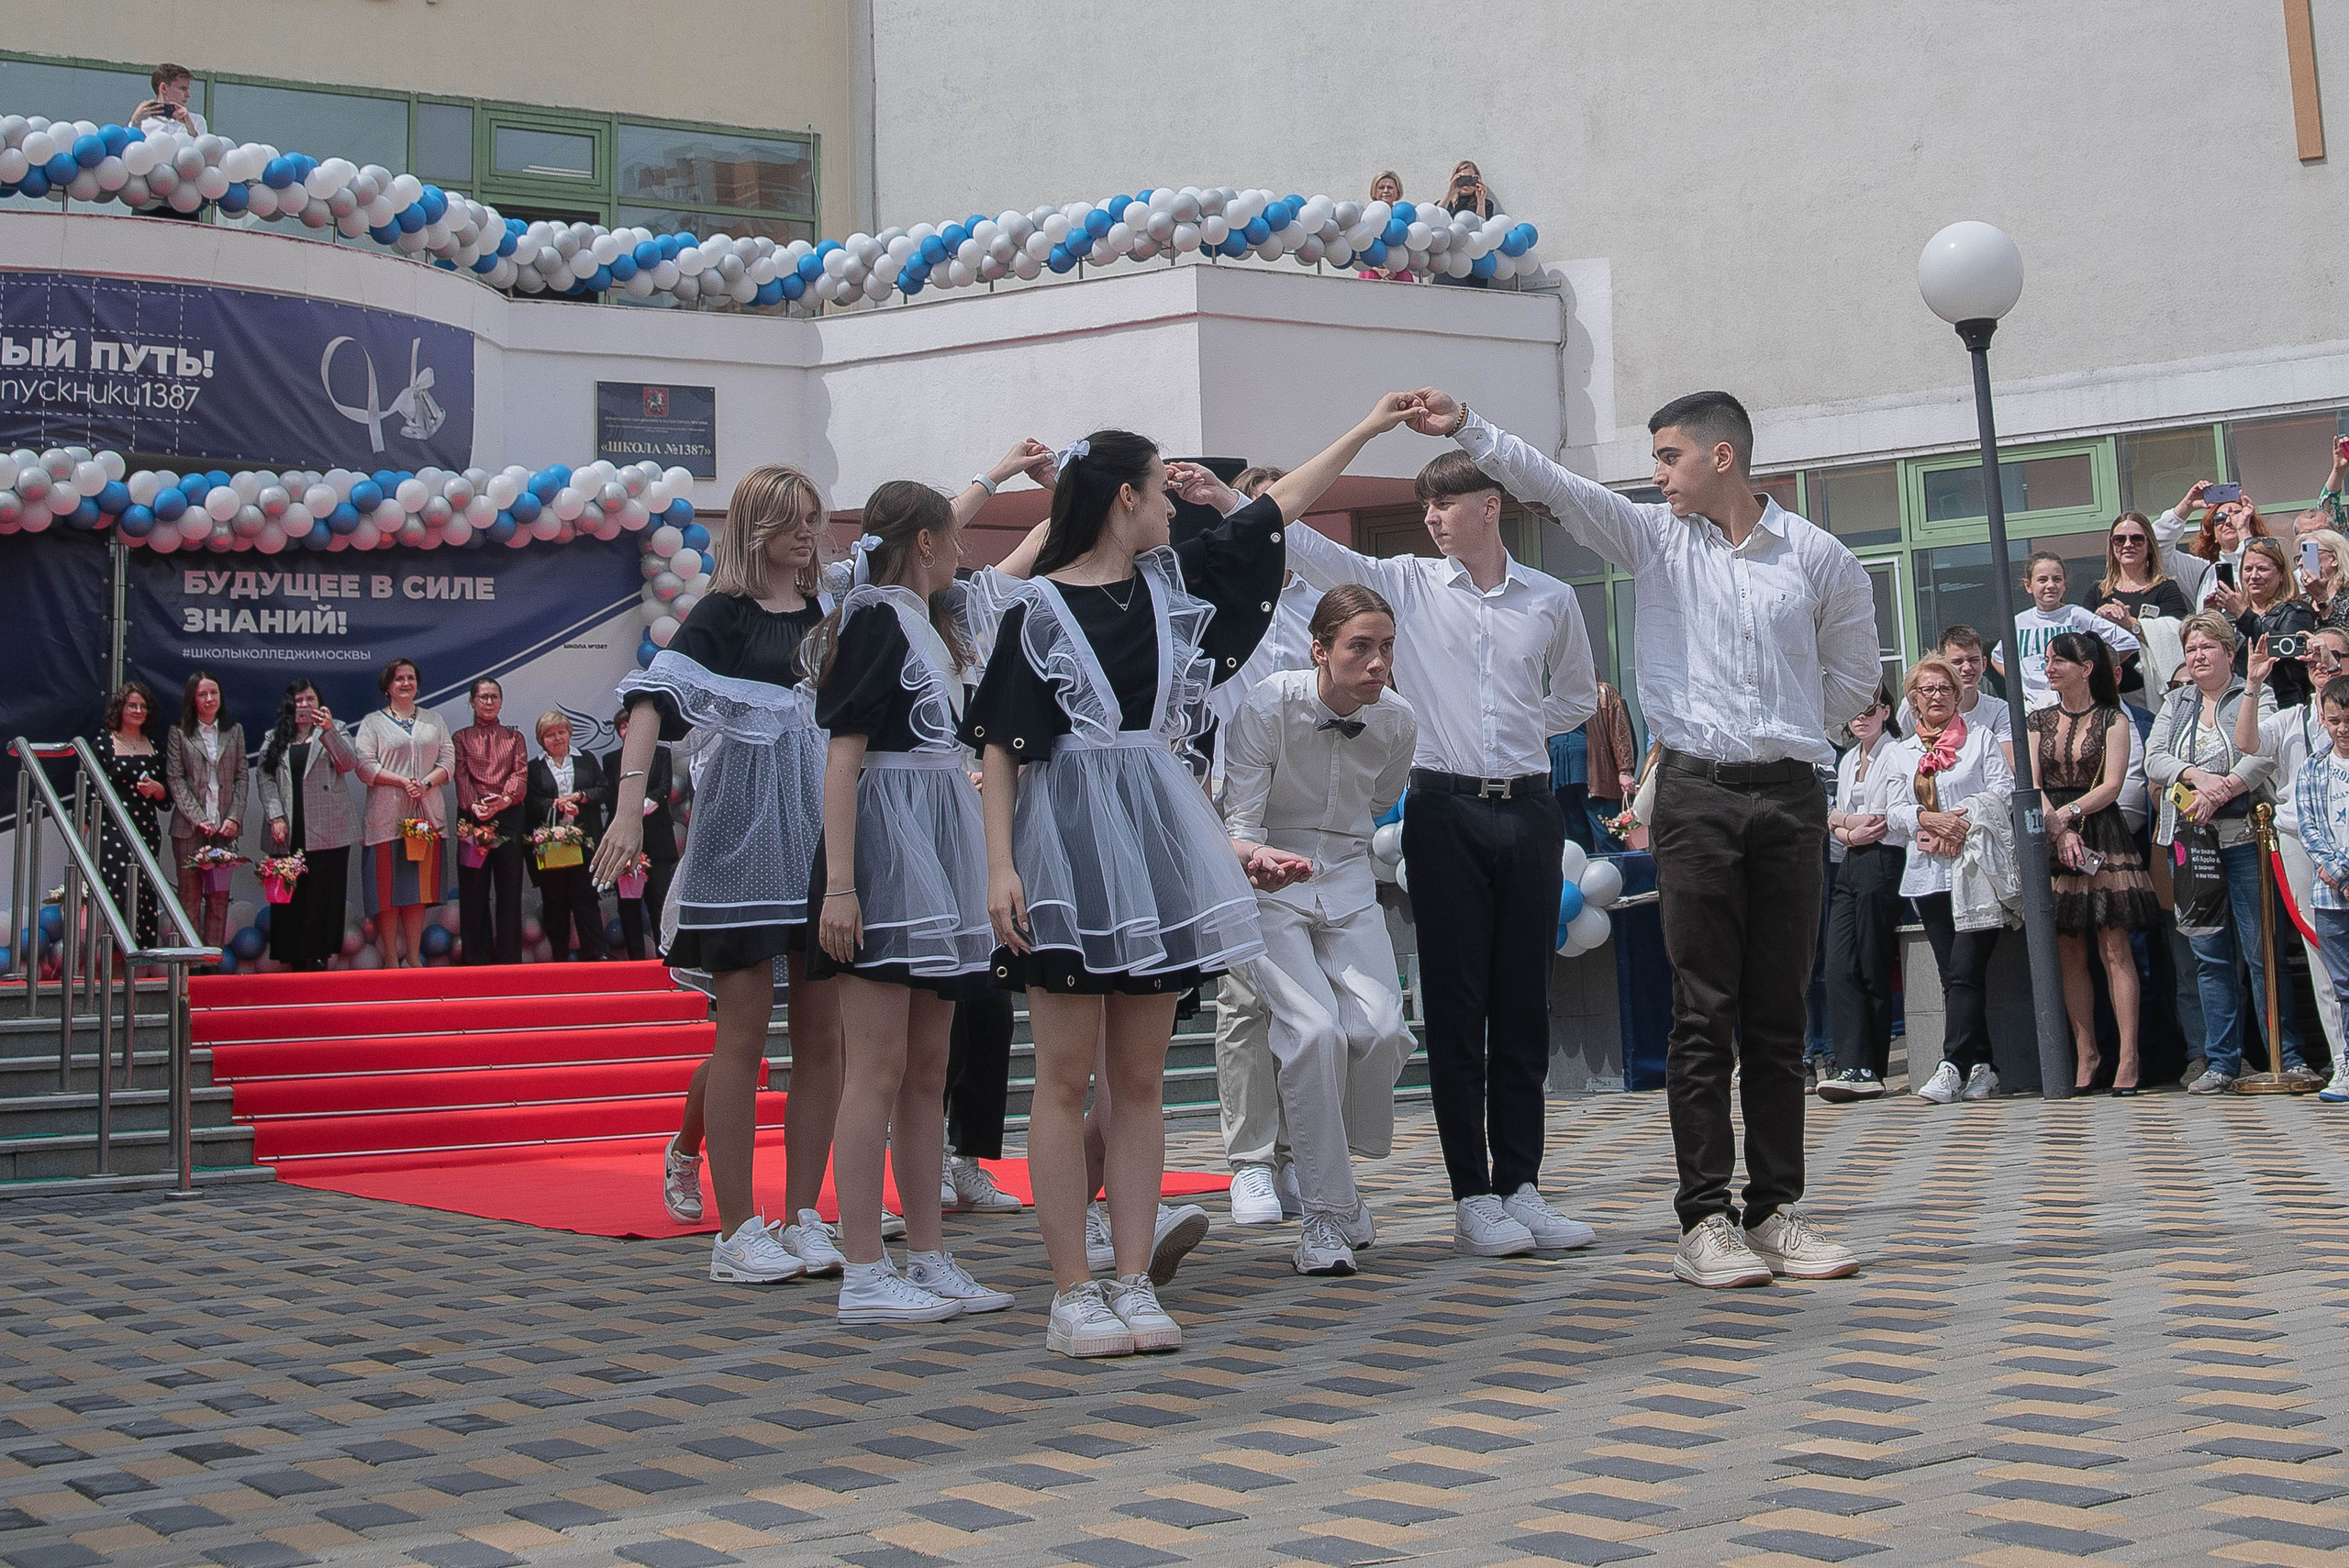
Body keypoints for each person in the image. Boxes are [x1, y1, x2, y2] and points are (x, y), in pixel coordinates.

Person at [1396, 385, 1871, 1288]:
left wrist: (1780, 728)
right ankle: (1704, 1219)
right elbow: (1557, 486)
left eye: (1668, 458)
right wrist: (1470, 428)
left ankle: (1774, 1209)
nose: (1656, 475)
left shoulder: (1819, 557)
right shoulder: (1653, 538)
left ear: (1720, 455)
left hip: (1788, 797)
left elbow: (1850, 672)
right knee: (1704, 1009)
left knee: (1776, 1014)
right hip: (1690, 794)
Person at [962, 405, 1387, 1360]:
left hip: (1157, 837)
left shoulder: (1171, 587)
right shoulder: (1033, 607)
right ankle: (1071, 1288)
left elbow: (1274, 510)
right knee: (1064, 1077)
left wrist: (1360, 430)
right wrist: (1000, 866)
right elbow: (999, 741)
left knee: (1142, 1077)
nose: (1172, 502)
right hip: (1064, 845)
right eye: (1160, 487)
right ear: (1125, 497)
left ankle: (1129, 1277)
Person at [1278, 413, 1598, 1262]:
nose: (1431, 519)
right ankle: (1473, 1194)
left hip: (1530, 808)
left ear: (1489, 506)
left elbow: (1573, 698)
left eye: (1445, 506)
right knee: (1458, 1006)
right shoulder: (1409, 587)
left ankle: (1523, 1182)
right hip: (1444, 809)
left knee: (1523, 1001)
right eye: (1424, 508)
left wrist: (1516, 732)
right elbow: (1314, 553)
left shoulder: (1550, 599)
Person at [596, 464, 842, 1283]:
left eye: (814, 518)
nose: (809, 532)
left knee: (823, 1034)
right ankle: (737, 1229)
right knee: (741, 1033)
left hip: (821, 836)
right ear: (758, 528)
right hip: (742, 838)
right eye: (793, 519)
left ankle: (804, 1212)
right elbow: (649, 702)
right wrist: (630, 809)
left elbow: (926, 543)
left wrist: (997, 475)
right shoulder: (723, 614)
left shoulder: (829, 611)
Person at [802, 481, 1016, 1325]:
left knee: (929, 1069)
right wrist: (844, 886)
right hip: (886, 855)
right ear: (925, 540)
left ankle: (925, 1252)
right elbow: (843, 760)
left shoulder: (932, 621)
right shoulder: (873, 619)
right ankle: (863, 1267)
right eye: (955, 534)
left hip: (936, 844)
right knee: (877, 1068)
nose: (964, 547)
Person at [1219, 584, 1426, 1275]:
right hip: (1266, 882)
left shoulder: (1396, 720)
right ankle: (1326, 1217)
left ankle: (1326, 1172)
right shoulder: (1267, 705)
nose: (1376, 663)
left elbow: (1376, 797)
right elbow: (1238, 825)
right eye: (1359, 647)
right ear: (1319, 650)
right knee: (1311, 1031)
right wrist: (1259, 860)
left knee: (1379, 1030)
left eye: (1386, 648)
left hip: (1347, 878)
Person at [1205, 463, 1322, 1229]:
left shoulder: (1321, 605)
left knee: (1313, 993)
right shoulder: (1214, 608)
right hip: (1234, 807)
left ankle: (1299, 1156)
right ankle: (1250, 1158)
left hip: (1315, 812)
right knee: (1247, 992)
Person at [2145, 612, 2306, 1092]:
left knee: (2263, 952)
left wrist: (2225, 788)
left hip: (2245, 839)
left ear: (2228, 653)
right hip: (2195, 845)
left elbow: (2264, 750)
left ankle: (2287, 1055)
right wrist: (2195, 777)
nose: (2196, 657)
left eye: (2206, 648)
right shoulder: (2177, 702)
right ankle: (2221, 1061)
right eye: (2190, 649)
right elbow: (2155, 757)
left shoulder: (2256, 693)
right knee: (2209, 954)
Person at [2029, 635, 2160, 1094]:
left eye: (2060, 660)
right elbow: (2031, 782)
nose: (2050, 667)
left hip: (2100, 829)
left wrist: (2069, 817)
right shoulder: (2038, 719)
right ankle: (2086, 1052)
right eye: (2047, 660)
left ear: (2086, 668)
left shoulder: (2113, 718)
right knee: (2068, 947)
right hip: (2052, 830)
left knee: (2114, 946)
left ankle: (2129, 1056)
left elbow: (2112, 784)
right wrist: (2057, 828)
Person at [1883, 656, 2014, 1107]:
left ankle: (1951, 1064)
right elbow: (1893, 811)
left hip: (1974, 870)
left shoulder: (1979, 739)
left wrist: (1963, 815)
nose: (1935, 696)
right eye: (1926, 690)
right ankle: (1983, 1065)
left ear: (1958, 695)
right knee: (1953, 974)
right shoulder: (1900, 752)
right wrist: (1927, 818)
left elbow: (2001, 789)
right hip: (1928, 875)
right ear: (1913, 700)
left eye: (1943, 688)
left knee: (1964, 970)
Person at [2236, 626, 2349, 1098]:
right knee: (2324, 956)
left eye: (2333, 655)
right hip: (2309, 844)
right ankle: (2343, 1058)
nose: (2320, 663)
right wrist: (2254, 682)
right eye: (2310, 658)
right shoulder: (2292, 718)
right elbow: (2247, 743)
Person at [1817, 686, 1902, 1103]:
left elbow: (1882, 819)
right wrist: (1848, 828)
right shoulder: (1849, 760)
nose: (1861, 719)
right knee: (1837, 962)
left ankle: (1870, 1064)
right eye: (1854, 712)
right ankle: (1849, 1059)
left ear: (1885, 711)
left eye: (1869, 710)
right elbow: (1833, 814)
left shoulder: (1896, 754)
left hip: (1883, 862)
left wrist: (1845, 825)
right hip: (1850, 860)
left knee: (1871, 961)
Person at [351, 658, 454, 970]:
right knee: (387, 893)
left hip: (425, 818)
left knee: (416, 892)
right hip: (386, 820)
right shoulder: (372, 722)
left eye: (411, 678)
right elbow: (364, 765)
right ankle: (390, 961)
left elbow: (448, 761)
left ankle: (412, 957)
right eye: (399, 679)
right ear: (387, 686)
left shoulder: (433, 720)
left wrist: (424, 783)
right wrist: (400, 782)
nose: (406, 683)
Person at [256, 680, 360, 973]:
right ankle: (293, 954)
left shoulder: (335, 728)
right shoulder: (274, 736)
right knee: (291, 894)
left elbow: (348, 763)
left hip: (328, 827)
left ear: (319, 702)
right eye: (298, 700)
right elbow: (264, 779)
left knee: (323, 894)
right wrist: (275, 816)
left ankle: (319, 954)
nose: (304, 705)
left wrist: (327, 731)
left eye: (309, 699)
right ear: (290, 705)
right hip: (287, 827)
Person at [2290, 673, 2349, 1104]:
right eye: (2334, 720)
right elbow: (2309, 826)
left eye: (2348, 719)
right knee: (2342, 984)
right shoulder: (2315, 767)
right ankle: (2345, 1062)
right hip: (2331, 895)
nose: (2342, 728)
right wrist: (2335, 871)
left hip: (2341, 879)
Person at [1987, 553, 2139, 711]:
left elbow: (2127, 642)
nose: (2051, 585)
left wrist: (2095, 673)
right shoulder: (2020, 622)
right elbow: (1998, 658)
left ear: (2065, 584)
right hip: (2034, 706)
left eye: (2057, 579)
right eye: (2042, 580)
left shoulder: (2077, 615)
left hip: (2074, 704)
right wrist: (2018, 685)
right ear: (2028, 585)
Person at [165, 669, 244, 951]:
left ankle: (213, 960)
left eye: (214, 693)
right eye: (203, 694)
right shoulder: (179, 732)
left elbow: (241, 777)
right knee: (189, 896)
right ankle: (189, 963)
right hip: (189, 829)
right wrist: (199, 819)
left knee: (219, 896)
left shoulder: (233, 731)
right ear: (192, 699)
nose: (210, 698)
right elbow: (175, 779)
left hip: (224, 829)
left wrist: (234, 817)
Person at [451, 679, 529, 966]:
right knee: (474, 890)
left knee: (509, 890)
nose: (488, 702)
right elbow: (461, 775)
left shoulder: (514, 738)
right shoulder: (461, 737)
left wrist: (505, 800)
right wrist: (475, 806)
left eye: (494, 696)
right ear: (472, 701)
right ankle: (476, 958)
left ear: (501, 701)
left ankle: (509, 959)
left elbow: (519, 773)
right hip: (473, 816)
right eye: (483, 697)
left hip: (508, 816)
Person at [527, 714, 610, 962]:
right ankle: (559, 958)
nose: (557, 738)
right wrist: (557, 805)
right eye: (551, 734)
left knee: (586, 900)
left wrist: (580, 797)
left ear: (569, 733)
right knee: (555, 903)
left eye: (561, 732)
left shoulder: (586, 759)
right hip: (551, 844)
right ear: (542, 740)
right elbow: (531, 802)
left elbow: (604, 790)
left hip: (584, 842)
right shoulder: (535, 767)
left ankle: (596, 954)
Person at [93, 682, 168, 952]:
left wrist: (158, 790)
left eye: (143, 707)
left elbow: (167, 798)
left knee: (144, 892)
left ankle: (139, 962)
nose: (138, 710)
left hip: (146, 829)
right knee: (118, 892)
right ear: (120, 709)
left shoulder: (156, 748)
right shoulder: (103, 744)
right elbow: (91, 794)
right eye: (132, 705)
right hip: (112, 830)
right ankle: (112, 960)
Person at [2089, 511, 2193, 705]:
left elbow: (2181, 635)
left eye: (2137, 539)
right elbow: (2081, 642)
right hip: (2105, 693)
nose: (2128, 545)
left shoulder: (2166, 588)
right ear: (2112, 546)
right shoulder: (2097, 592)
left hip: (2148, 694)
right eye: (2119, 539)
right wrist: (2096, 620)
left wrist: (2132, 625)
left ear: (2150, 545)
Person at [601, 705, 676, 962]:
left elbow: (664, 788)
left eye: (632, 726)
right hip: (626, 843)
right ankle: (635, 959)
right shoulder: (611, 760)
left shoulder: (662, 754)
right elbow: (611, 798)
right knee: (629, 904)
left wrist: (638, 806)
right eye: (623, 727)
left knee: (659, 900)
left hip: (658, 840)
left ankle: (664, 956)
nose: (628, 731)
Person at [2154, 480, 2273, 611]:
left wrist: (2244, 531)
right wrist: (2186, 507)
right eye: (2220, 518)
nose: (2228, 521)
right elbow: (2155, 550)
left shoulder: (2267, 568)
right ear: (2213, 535)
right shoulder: (2202, 571)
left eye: (2238, 515)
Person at [2227, 538, 2319, 707]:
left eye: (2262, 569)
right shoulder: (2231, 615)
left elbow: (2288, 655)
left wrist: (2243, 615)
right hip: (2237, 703)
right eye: (2248, 569)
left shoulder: (2296, 611)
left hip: (2282, 705)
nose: (2254, 576)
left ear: (2281, 574)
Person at [1899, 626, 2012, 760]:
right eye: (1957, 662)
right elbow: (1898, 750)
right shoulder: (1917, 703)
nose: (1967, 668)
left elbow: (2007, 762)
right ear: (1943, 664)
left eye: (1973, 660)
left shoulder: (1999, 710)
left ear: (1984, 663)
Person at [1432, 161, 1496, 290]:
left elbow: (1481, 227)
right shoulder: (1447, 204)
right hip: (1448, 263)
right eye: (1462, 178)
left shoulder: (1486, 204)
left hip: (1474, 264)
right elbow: (1435, 218)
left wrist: (1480, 201)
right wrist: (1450, 192)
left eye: (1470, 179)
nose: (1466, 183)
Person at [1359, 172, 1416, 283]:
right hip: (1371, 273)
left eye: (1390, 187)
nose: (1386, 191)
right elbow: (1357, 248)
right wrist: (1380, 270)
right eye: (1381, 187)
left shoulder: (1406, 214)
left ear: (1397, 191)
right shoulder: (1365, 215)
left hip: (1400, 273)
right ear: (1374, 192)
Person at [2296, 528, 2349, 635]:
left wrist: (2322, 600)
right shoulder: (2304, 602)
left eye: (2308, 555)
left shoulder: (2346, 598)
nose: (2301, 563)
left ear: (2334, 559)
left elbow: (2342, 641)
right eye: (2299, 557)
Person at [131, 63, 206, 136]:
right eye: (183, 89)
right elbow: (129, 146)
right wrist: (135, 122)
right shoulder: (143, 123)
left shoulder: (196, 121)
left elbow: (204, 147)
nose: (188, 95)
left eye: (187, 89)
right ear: (164, 88)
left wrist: (192, 131)